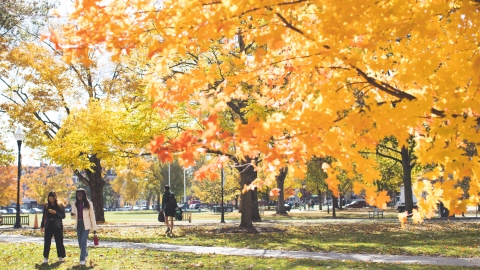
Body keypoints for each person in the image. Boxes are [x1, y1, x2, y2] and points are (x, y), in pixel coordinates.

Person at [71, 188, 97, 266]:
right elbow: (73, 216)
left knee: (83, 242)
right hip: (79, 224)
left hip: (86, 225)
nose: (79, 195)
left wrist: (94, 228)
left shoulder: (88, 203)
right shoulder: (74, 204)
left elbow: (92, 216)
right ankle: (85, 253)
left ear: (83, 195)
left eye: (80, 194)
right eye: (77, 194)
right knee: (80, 243)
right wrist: (72, 215)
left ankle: (82, 260)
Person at [40, 191, 66, 264]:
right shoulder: (46, 205)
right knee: (47, 242)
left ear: (55, 198)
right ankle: (46, 257)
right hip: (48, 225)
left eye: (52, 199)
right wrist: (42, 226)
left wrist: (56, 213)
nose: (51, 200)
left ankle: (61, 257)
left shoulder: (60, 205)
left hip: (57, 225)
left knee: (59, 241)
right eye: (50, 199)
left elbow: (63, 215)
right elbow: (44, 216)